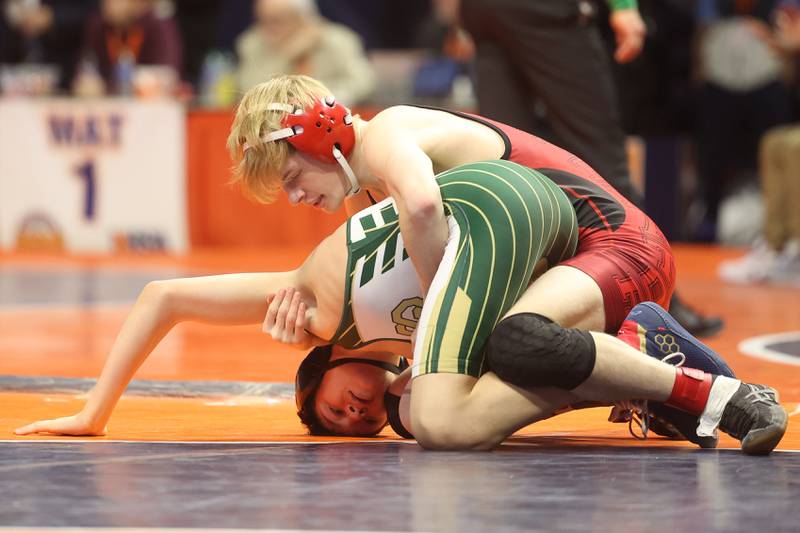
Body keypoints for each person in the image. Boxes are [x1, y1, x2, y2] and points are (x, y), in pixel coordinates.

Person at [14, 160, 786, 455]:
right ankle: (658, 369)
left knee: (442, 410)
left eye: (334, 404)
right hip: (548, 269)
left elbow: (163, 295)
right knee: (456, 386)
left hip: (526, 220)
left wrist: (94, 410)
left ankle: (650, 370)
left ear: (328, 360)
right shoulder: (411, 379)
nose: (352, 415)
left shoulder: (312, 306)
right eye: (350, 424)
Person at [227, 76, 787, 454]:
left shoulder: (392, 135)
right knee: (441, 390)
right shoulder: (365, 196)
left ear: (324, 138)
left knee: (507, 344)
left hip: (617, 247)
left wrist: (425, 343)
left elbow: (426, 220)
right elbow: (432, 299)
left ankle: (711, 394)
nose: (296, 199)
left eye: (293, 180)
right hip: (565, 272)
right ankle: (635, 363)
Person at [456, 0, 723, 337]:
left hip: (483, 11)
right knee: (602, 160)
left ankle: (511, 311)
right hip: (544, 11)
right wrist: (623, 6)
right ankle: (661, 302)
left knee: (509, 156)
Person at [235, 0, 375, 104]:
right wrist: (286, 56)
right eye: (263, 20)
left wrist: (322, 100)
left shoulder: (338, 40)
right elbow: (249, 92)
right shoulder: (251, 43)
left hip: (332, 120)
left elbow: (364, 82)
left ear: (303, 19)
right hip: (273, 124)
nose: (269, 28)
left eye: (277, 21)